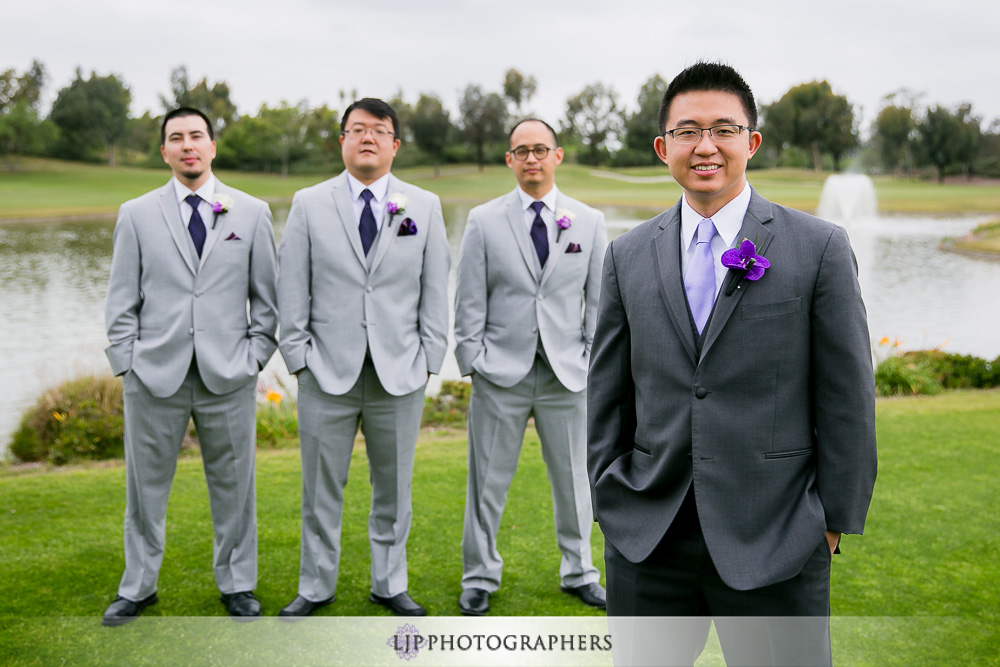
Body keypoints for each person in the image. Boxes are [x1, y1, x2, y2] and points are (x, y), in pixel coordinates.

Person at [587, 62, 877, 666]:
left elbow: (847, 395)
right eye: (688, 131)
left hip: (777, 535)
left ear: (752, 142)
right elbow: (609, 395)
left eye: (724, 129)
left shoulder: (817, 247)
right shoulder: (626, 255)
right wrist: (610, 500)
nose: (706, 146)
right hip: (649, 537)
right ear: (664, 147)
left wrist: (832, 522)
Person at [102, 107, 278, 625]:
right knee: (144, 490)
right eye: (175, 138)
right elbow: (120, 301)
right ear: (164, 152)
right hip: (154, 375)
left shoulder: (250, 212)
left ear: (212, 146)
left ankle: (238, 584)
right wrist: (127, 363)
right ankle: (138, 587)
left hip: (229, 374)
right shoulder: (136, 213)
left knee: (235, 488)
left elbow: (267, 302)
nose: (187, 146)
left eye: (196, 136)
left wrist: (254, 358)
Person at [277, 98, 450, 618]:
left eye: (378, 130)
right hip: (325, 372)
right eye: (357, 130)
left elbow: (433, 289)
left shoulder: (424, 205)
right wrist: (298, 359)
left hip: (400, 372)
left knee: (394, 490)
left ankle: (389, 582)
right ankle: (315, 587)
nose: (367, 138)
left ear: (395, 144)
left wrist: (428, 360)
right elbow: (292, 287)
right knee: (320, 489)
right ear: (342, 142)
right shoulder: (309, 203)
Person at [453, 119, 608, 616]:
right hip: (500, 374)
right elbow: (469, 299)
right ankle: (479, 576)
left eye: (540, 149)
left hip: (568, 375)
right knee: (487, 483)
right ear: (509, 160)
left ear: (557, 156)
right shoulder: (482, 220)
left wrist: (590, 361)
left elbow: (599, 305)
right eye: (521, 151)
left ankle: (580, 570)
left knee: (575, 482)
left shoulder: (588, 220)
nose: (531, 159)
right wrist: (472, 361)